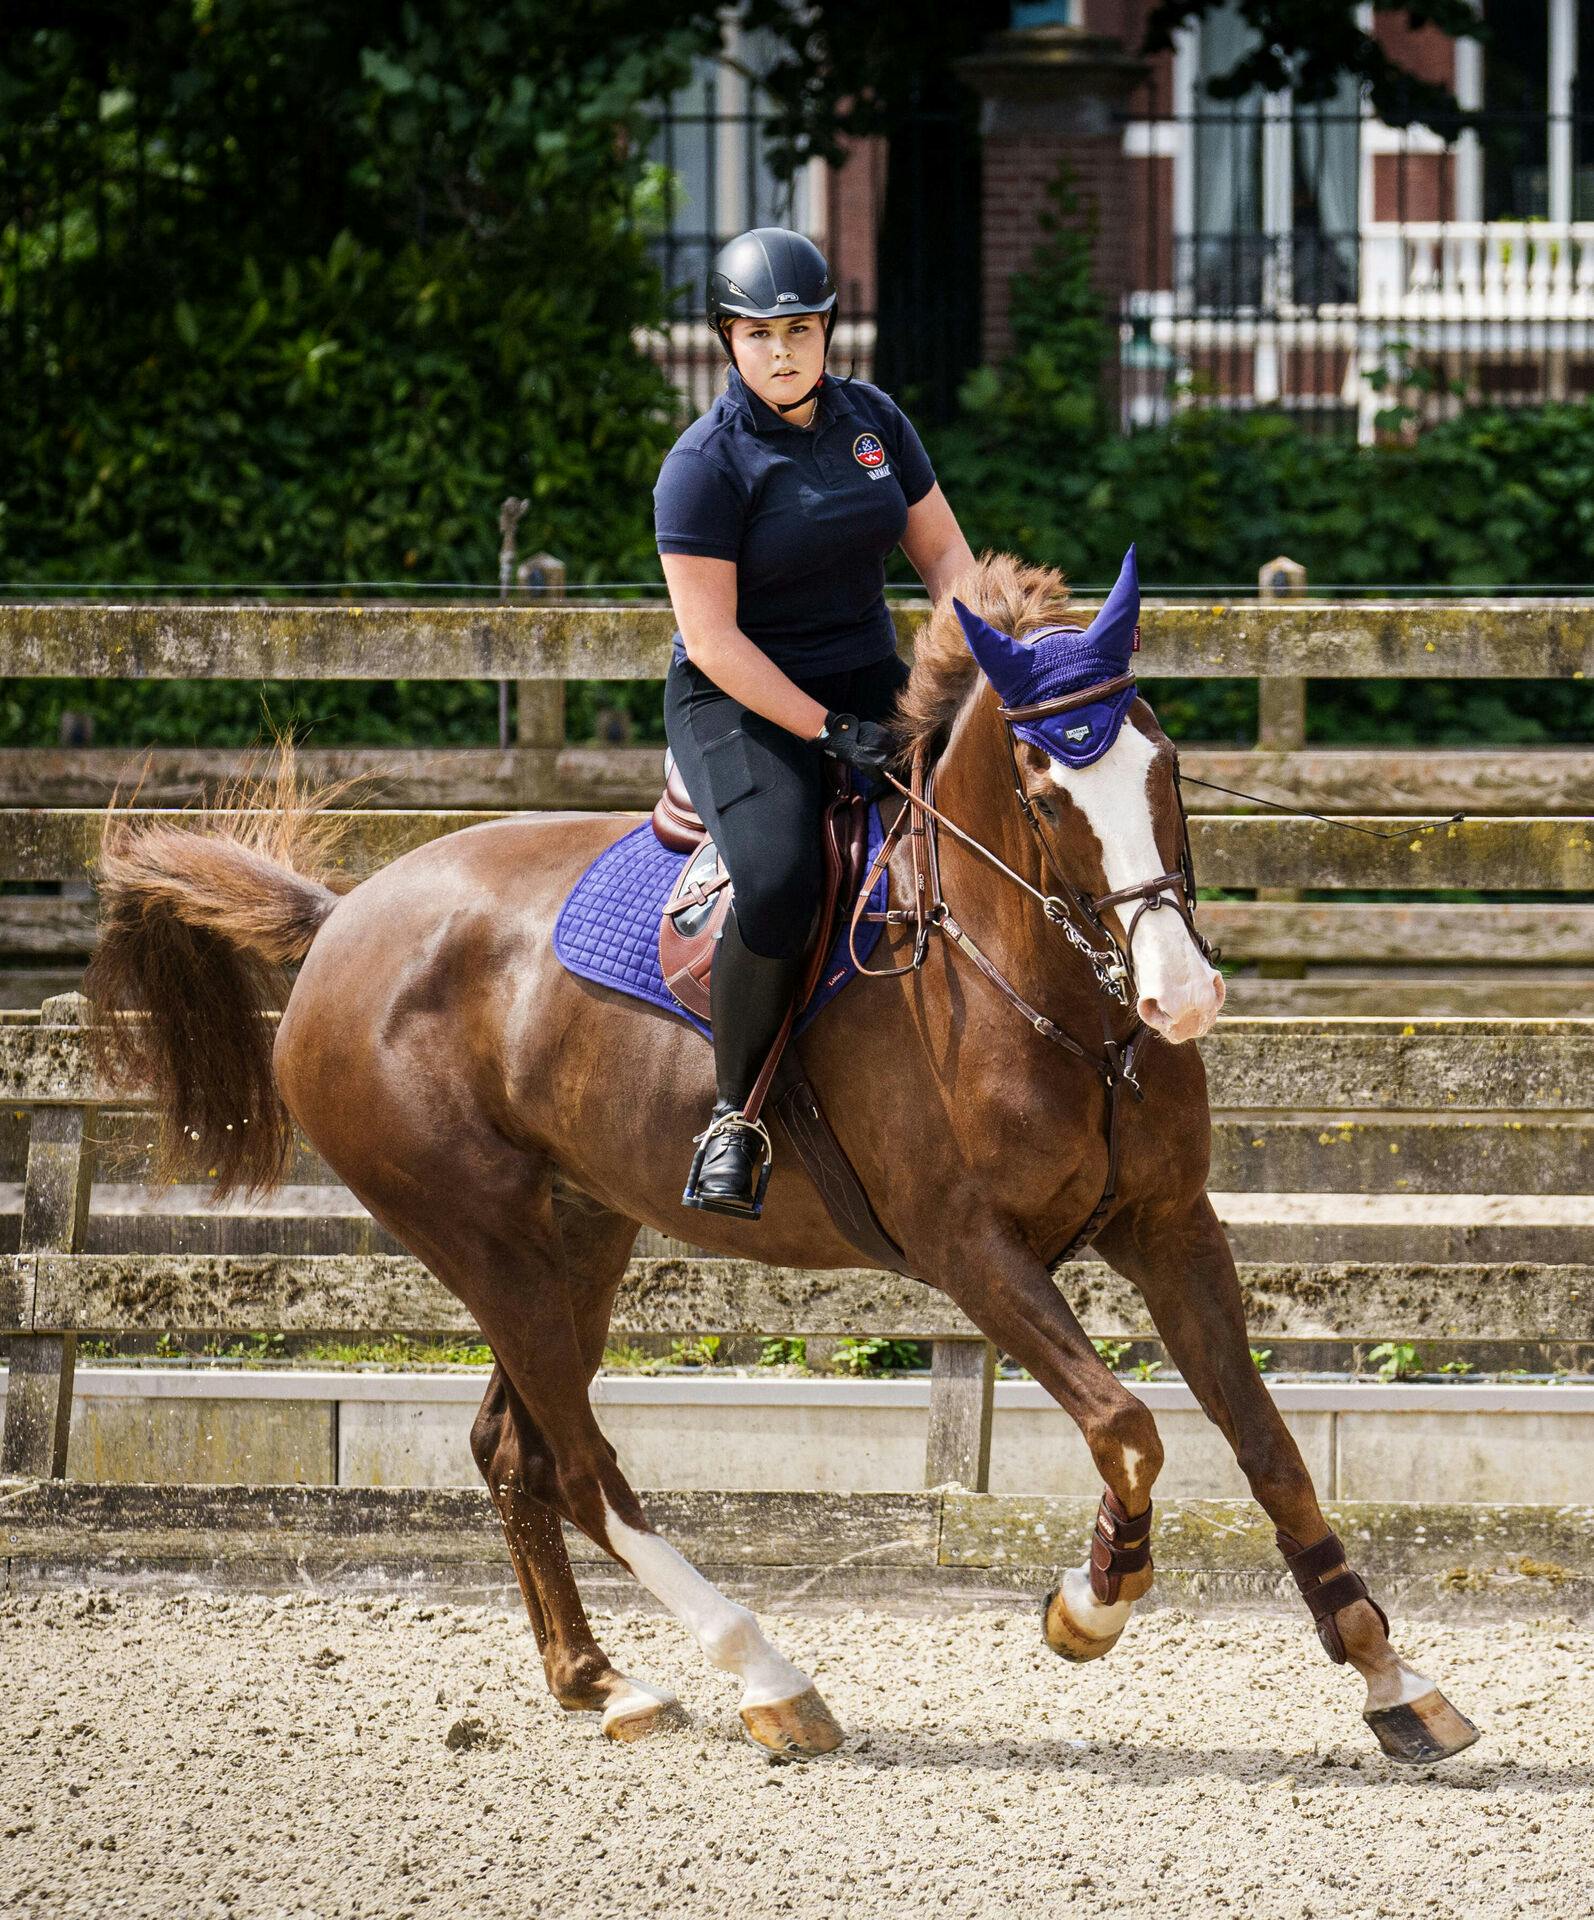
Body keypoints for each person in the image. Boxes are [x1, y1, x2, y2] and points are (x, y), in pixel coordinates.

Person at [655, 225, 976, 1217]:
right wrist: (828, 731)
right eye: (759, 334)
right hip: (737, 698)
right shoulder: (702, 465)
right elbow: (712, 641)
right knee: (783, 876)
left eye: (800, 329)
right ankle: (733, 1118)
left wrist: (991, 665)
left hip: (866, 673)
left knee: (994, 804)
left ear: (829, 329)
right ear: (727, 339)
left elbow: (946, 563)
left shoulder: (873, 421)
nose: (783, 351)